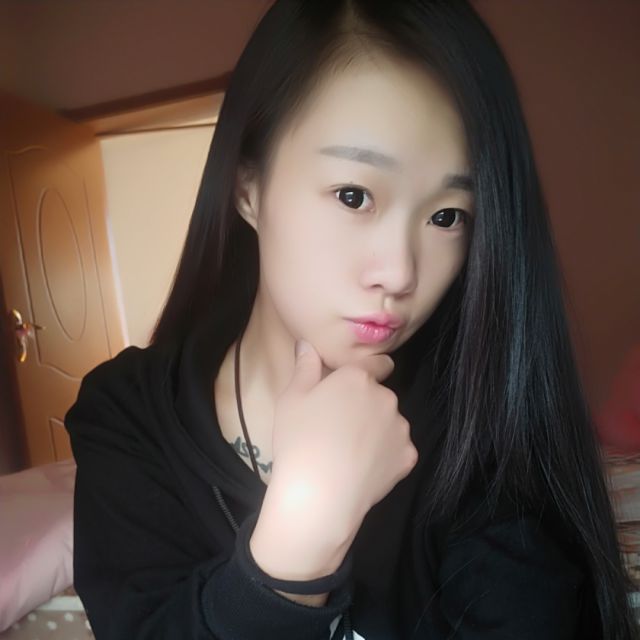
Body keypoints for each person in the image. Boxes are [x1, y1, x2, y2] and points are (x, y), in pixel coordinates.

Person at [64, 0, 639, 638]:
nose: (400, 272)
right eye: (353, 195)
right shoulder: (128, 412)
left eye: (447, 216)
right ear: (248, 186)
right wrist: (303, 534)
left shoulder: (485, 427)